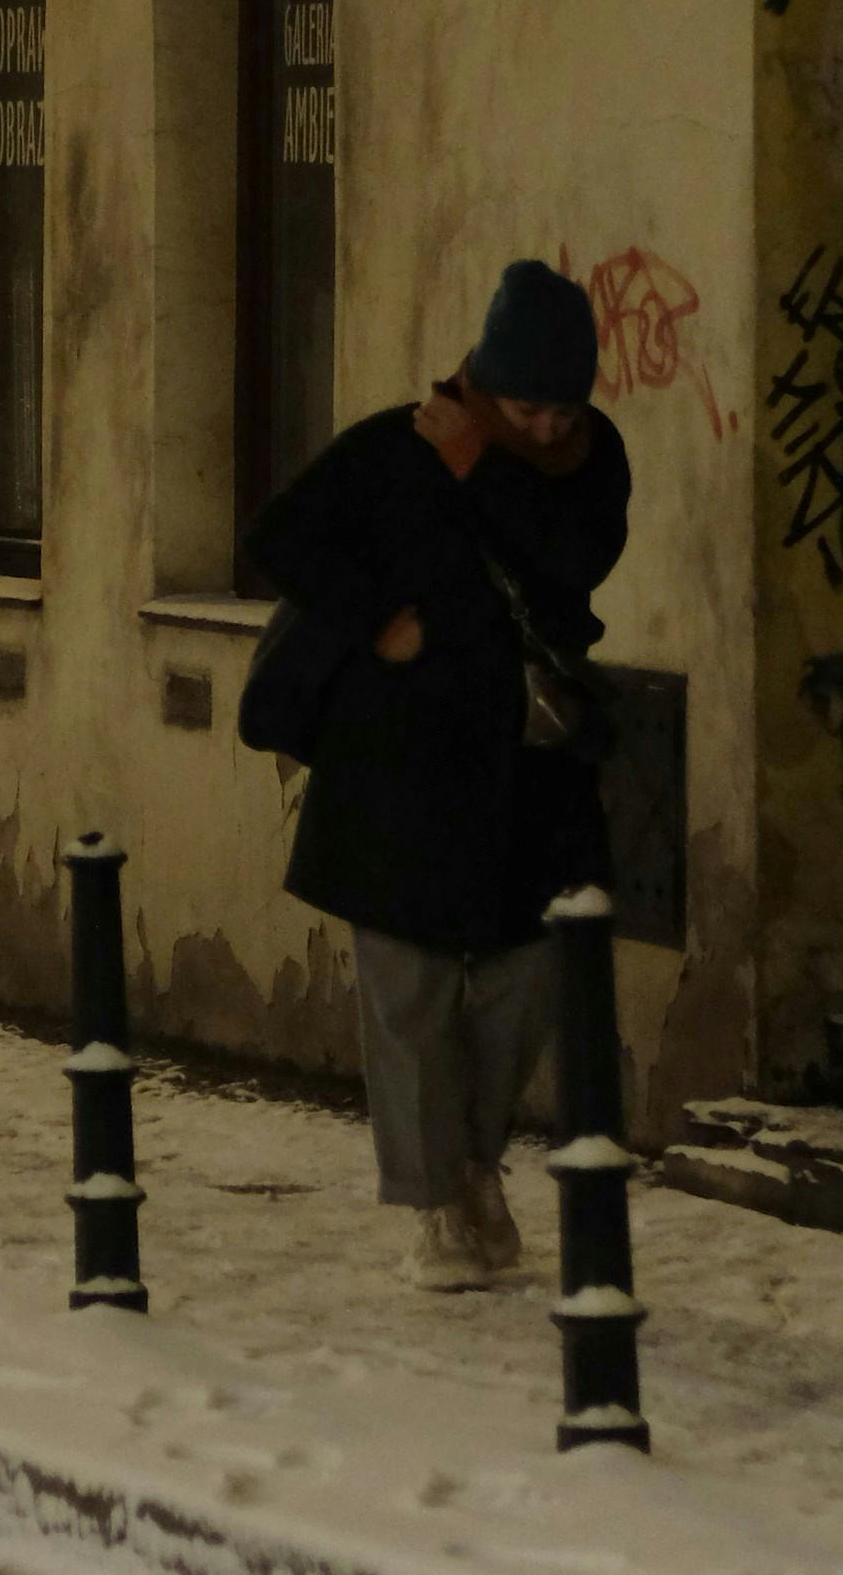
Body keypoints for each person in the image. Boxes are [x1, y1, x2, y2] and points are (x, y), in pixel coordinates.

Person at [241, 257, 632, 1291]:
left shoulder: (591, 465)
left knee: (525, 977)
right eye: (523, 407)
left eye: (562, 409)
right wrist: (375, 617)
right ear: (484, 378)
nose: (547, 428)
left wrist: (486, 467)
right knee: (410, 998)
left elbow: (575, 558)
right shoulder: (396, 447)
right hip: (397, 767)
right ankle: (434, 1209)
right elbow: (279, 536)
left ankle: (471, 1164)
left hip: (528, 768)